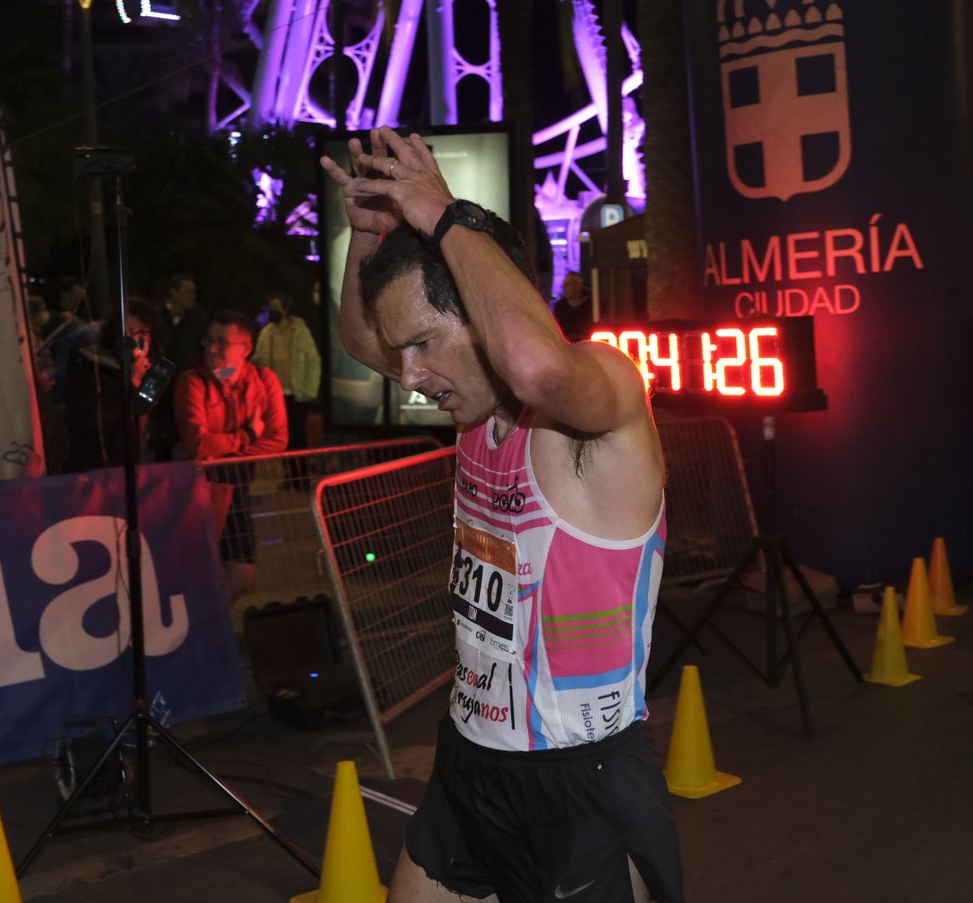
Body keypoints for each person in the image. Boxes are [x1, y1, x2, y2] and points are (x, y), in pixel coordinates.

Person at [323, 127, 680, 903]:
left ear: (485, 322)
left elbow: (536, 363)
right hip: (472, 754)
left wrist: (442, 214)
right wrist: (367, 239)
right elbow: (359, 338)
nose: (409, 377)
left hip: (578, 777)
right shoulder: (472, 404)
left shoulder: (604, 402)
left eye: (421, 345)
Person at [174, 311, 287, 601]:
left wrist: (223, 448)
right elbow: (198, 444)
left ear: (245, 348)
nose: (212, 349)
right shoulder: (192, 381)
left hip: (236, 489)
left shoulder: (264, 380)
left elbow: (277, 439)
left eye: (222, 342)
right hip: (197, 492)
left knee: (242, 572)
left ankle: (210, 625)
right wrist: (248, 436)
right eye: (209, 340)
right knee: (196, 572)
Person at [65, 298, 166, 472]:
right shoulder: (91, 366)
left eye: (142, 335)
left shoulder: (149, 373)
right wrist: (130, 382)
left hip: (138, 471)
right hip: (100, 471)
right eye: (129, 332)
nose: (135, 341)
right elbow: (95, 424)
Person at [252, 291, 322, 484]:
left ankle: (301, 477)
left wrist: (309, 390)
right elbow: (259, 360)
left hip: (297, 393)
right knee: (283, 438)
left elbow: (312, 359)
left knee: (298, 437)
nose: (273, 311)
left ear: (286, 309)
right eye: (271, 308)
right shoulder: (267, 333)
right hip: (275, 394)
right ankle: (289, 475)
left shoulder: (299, 330)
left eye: (277, 307)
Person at [162, 273, 209, 371]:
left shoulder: (198, 318)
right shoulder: (158, 315)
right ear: (174, 292)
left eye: (193, 292)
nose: (193, 296)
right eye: (187, 291)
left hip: (186, 376)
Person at [552, 270, 593, 340]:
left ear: (579, 285)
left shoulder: (591, 305)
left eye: (568, 285)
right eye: (564, 285)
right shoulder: (560, 306)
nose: (564, 289)